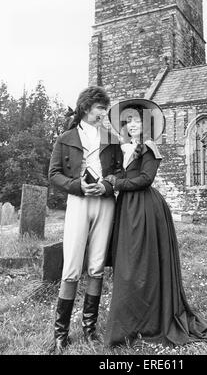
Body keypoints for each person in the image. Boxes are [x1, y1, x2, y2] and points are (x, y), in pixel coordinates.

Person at [103, 98, 207, 347]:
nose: (133, 125)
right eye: (128, 121)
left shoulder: (150, 148)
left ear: (146, 124)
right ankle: (130, 322)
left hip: (145, 209)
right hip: (127, 208)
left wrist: (116, 183)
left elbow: (144, 180)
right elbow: (125, 174)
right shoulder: (126, 148)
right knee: (128, 264)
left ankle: (150, 319)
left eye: (137, 121)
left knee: (142, 263)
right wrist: (111, 176)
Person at [48, 86, 122, 354]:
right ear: (86, 108)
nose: (104, 112)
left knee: (97, 265)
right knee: (71, 267)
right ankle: (61, 334)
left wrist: (107, 186)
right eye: (100, 107)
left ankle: (89, 330)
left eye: (105, 108)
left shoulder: (111, 138)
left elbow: (118, 171)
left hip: (105, 203)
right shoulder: (65, 137)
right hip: (78, 203)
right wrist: (77, 186)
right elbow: (54, 174)